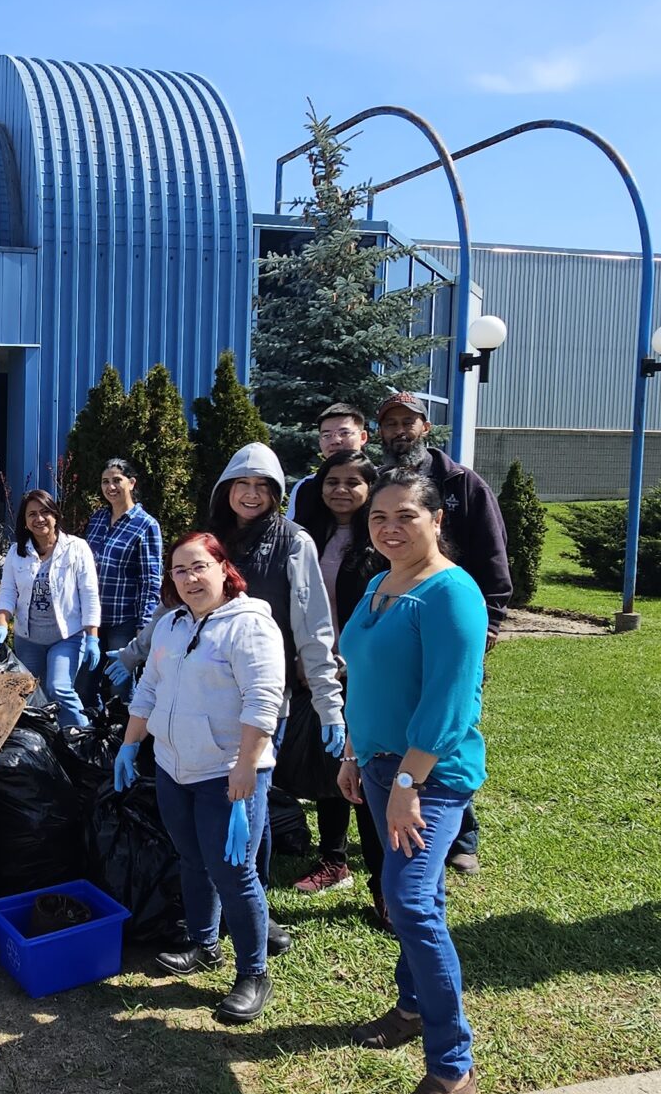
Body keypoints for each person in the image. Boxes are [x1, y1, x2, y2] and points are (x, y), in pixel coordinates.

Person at [336, 469, 489, 1094]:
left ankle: (453, 1069)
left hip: (428, 775)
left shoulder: (452, 594)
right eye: (378, 518)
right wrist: (351, 753)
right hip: (375, 763)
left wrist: (406, 786)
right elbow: (363, 674)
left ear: (437, 520)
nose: (390, 528)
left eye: (406, 516)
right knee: (411, 894)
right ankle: (410, 1007)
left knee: (409, 900)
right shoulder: (379, 584)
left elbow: (449, 704)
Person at [116, 533, 287, 1025]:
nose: (189, 579)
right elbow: (149, 687)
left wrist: (246, 767)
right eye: (178, 571)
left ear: (222, 567)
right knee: (192, 860)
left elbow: (263, 702)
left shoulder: (249, 627)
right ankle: (203, 943)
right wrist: (131, 744)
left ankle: (253, 973)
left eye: (198, 567)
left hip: (227, 774)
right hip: (175, 767)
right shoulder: (170, 626)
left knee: (235, 873)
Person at [201, 443, 346, 948]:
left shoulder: (294, 543)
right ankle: (221, 901)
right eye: (243, 484)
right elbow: (179, 606)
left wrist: (329, 702)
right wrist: (135, 655)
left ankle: (254, 908)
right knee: (214, 795)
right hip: (208, 690)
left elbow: (314, 628)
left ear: (277, 494)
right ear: (226, 488)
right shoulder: (210, 539)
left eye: (264, 487)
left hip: (266, 694)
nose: (252, 494)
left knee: (252, 801)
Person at [375, 390, 513, 874]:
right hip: (395, 619)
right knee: (403, 715)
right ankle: (402, 810)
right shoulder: (382, 484)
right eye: (390, 424)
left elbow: (493, 557)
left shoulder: (461, 484)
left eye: (407, 422)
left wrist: (491, 622)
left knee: (449, 716)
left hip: (450, 621)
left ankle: (460, 834)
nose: (399, 431)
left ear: (425, 428)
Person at [289, 447, 389, 906]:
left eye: (353, 482)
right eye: (332, 482)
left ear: (370, 489)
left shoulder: (382, 543)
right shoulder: (307, 536)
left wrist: (351, 659)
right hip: (315, 669)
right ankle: (333, 858)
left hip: (364, 672)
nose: (341, 490)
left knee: (366, 770)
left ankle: (383, 885)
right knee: (331, 767)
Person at [0, 489, 101, 733]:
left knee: (59, 688)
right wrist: (1, 623)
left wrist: (92, 637)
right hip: (28, 639)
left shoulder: (76, 548)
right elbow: (8, 591)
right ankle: (46, 743)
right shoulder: (16, 552)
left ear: (55, 515)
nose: (39, 519)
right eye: (32, 514)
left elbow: (89, 594)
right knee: (30, 694)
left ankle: (82, 740)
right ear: (25, 522)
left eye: (44, 512)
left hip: (66, 636)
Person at [84, 459, 163, 693]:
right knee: (84, 687)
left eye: (117, 480)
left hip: (124, 623)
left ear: (131, 483)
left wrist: (144, 627)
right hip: (93, 621)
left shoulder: (146, 525)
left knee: (120, 691)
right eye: (105, 482)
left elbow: (151, 581)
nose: (111, 487)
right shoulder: (97, 519)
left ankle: (121, 730)